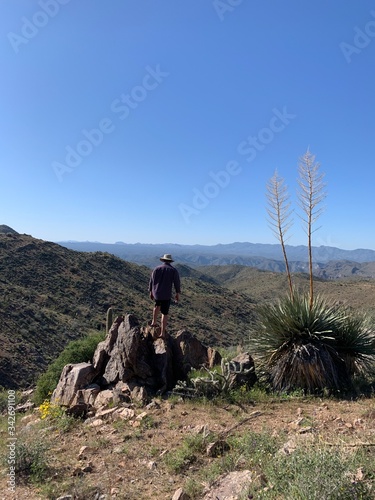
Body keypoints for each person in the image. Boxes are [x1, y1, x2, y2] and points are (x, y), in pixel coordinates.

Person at [149, 253, 181, 338]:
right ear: (170, 261)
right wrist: (177, 293)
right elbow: (177, 283)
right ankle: (162, 333)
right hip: (166, 294)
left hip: (157, 293)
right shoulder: (173, 270)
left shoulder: (156, 269)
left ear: (163, 260)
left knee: (156, 306)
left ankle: (153, 322)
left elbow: (151, 281)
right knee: (164, 313)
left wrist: (151, 291)